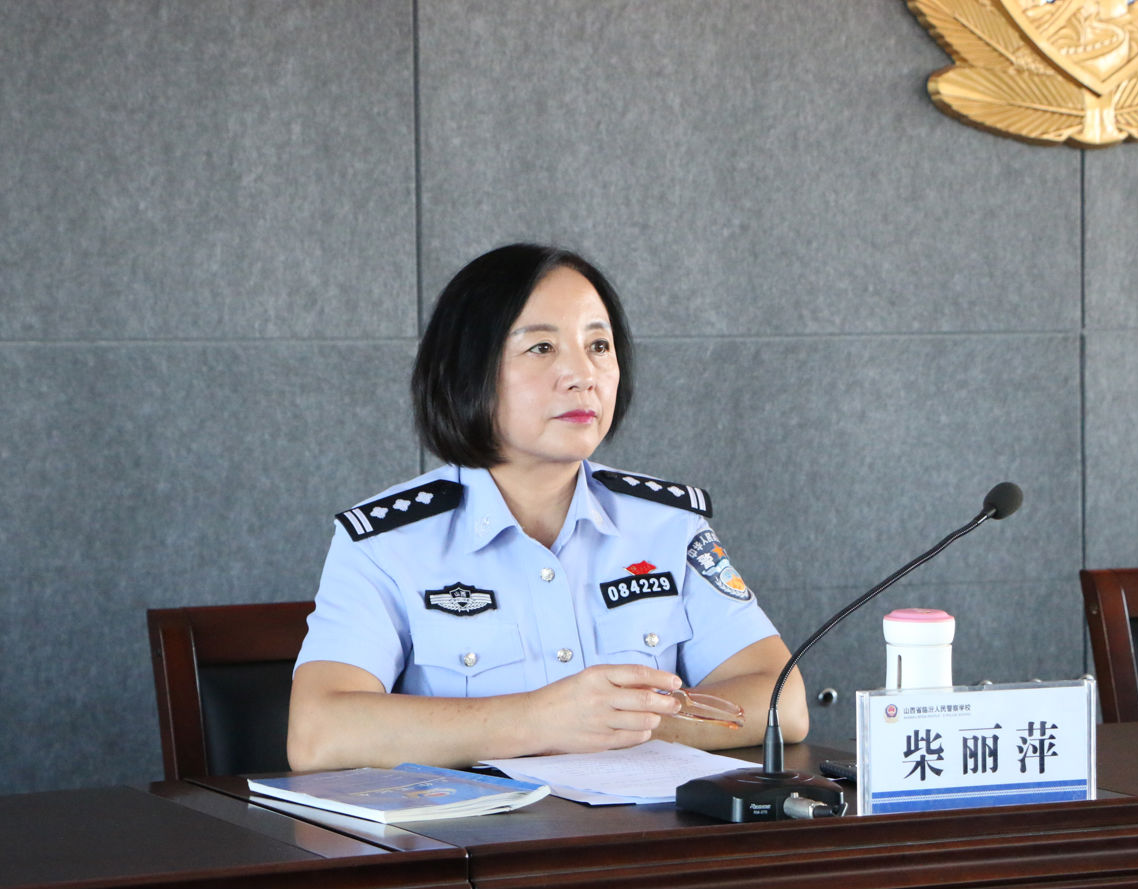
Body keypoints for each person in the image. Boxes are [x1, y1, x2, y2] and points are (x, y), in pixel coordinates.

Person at [287, 243, 808, 771]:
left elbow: (782, 700)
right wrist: (540, 721)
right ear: (468, 370)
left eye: (599, 346)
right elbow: (318, 734)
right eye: (541, 348)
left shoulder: (667, 525)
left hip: (642, 822)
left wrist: (617, 726)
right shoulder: (385, 542)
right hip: (483, 825)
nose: (583, 375)